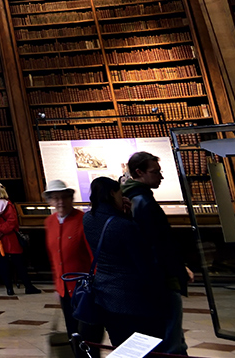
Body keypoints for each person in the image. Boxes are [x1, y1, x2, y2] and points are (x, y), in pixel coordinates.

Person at [82, 175, 163, 347]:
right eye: (120, 194)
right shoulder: (123, 226)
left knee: (120, 345)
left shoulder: (87, 218)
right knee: (143, 346)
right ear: (112, 193)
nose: (123, 197)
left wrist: (122, 214)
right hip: (132, 297)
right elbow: (142, 262)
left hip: (104, 295)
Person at [123, 151, 189, 354]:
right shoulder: (143, 202)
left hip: (145, 278)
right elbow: (158, 243)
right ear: (139, 172)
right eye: (155, 172)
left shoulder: (129, 199)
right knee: (170, 333)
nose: (161, 176)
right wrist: (175, 269)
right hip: (160, 277)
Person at [43, 180, 96, 341]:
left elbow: (93, 256)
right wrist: (57, 286)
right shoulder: (50, 222)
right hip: (64, 290)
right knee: (72, 334)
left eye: (64, 197)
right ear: (50, 201)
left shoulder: (83, 220)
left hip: (84, 290)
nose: (60, 202)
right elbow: (54, 258)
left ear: (71, 198)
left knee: (88, 336)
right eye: (56, 198)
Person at [0, 182, 39, 295]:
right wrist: (2, 230)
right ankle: (28, 286)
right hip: (10, 238)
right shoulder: (8, 205)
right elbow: (12, 221)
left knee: (3, 264)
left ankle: (9, 288)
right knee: (19, 263)